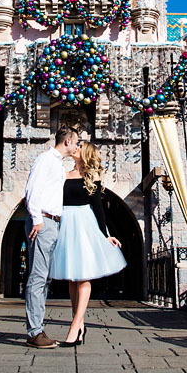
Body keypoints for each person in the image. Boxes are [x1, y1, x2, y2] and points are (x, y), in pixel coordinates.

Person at [49, 141, 127, 347]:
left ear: (86, 153)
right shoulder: (64, 175)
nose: (75, 146)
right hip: (65, 224)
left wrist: (106, 235)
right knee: (72, 279)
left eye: (80, 145)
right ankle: (80, 324)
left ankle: (74, 328)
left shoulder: (92, 177)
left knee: (83, 277)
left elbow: (99, 209)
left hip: (84, 225)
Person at [23, 126, 78, 348]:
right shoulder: (46, 159)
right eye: (76, 141)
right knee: (38, 276)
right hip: (43, 221)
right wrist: (37, 218)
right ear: (67, 141)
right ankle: (35, 332)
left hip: (51, 222)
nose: (77, 146)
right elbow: (32, 189)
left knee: (44, 277)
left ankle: (37, 328)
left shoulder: (57, 164)